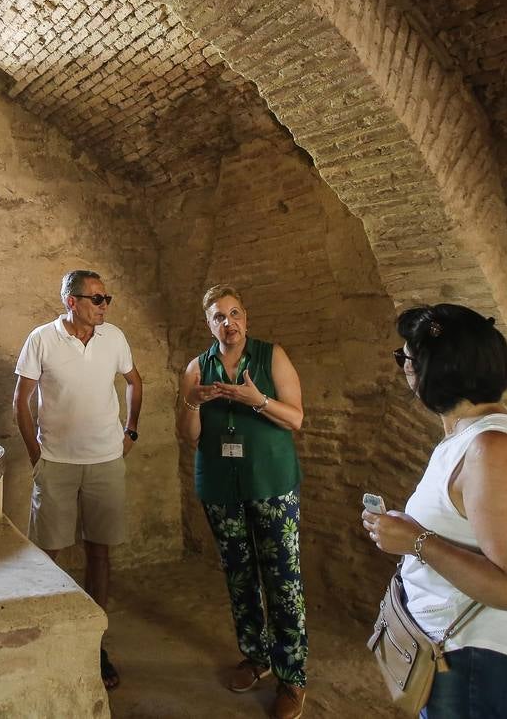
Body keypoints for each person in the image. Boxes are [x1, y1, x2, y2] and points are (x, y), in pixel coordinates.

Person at [361, 303, 507, 718]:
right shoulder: (473, 438)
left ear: (430, 370)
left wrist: (416, 542)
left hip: (495, 667)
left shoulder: (493, 450)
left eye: (405, 359)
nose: (404, 370)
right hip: (474, 660)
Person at [176, 285, 308, 719]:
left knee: (282, 581)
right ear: (208, 323)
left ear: (246, 319)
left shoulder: (272, 357)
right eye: (218, 317)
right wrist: (192, 402)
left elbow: (296, 418)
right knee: (239, 576)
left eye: (234, 314)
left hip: (271, 483)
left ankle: (292, 676)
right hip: (220, 486)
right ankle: (256, 657)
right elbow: (189, 436)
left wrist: (258, 400)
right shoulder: (197, 367)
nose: (227, 323)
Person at [13, 269, 142, 691]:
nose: (104, 306)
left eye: (107, 298)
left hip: (106, 460)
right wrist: (37, 454)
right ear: (72, 301)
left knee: (100, 551)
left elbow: (134, 382)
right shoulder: (42, 339)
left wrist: (131, 431)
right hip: (57, 463)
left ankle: (95, 643)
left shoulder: (114, 338)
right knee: (49, 552)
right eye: (96, 299)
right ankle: (51, 637)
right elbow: (22, 400)